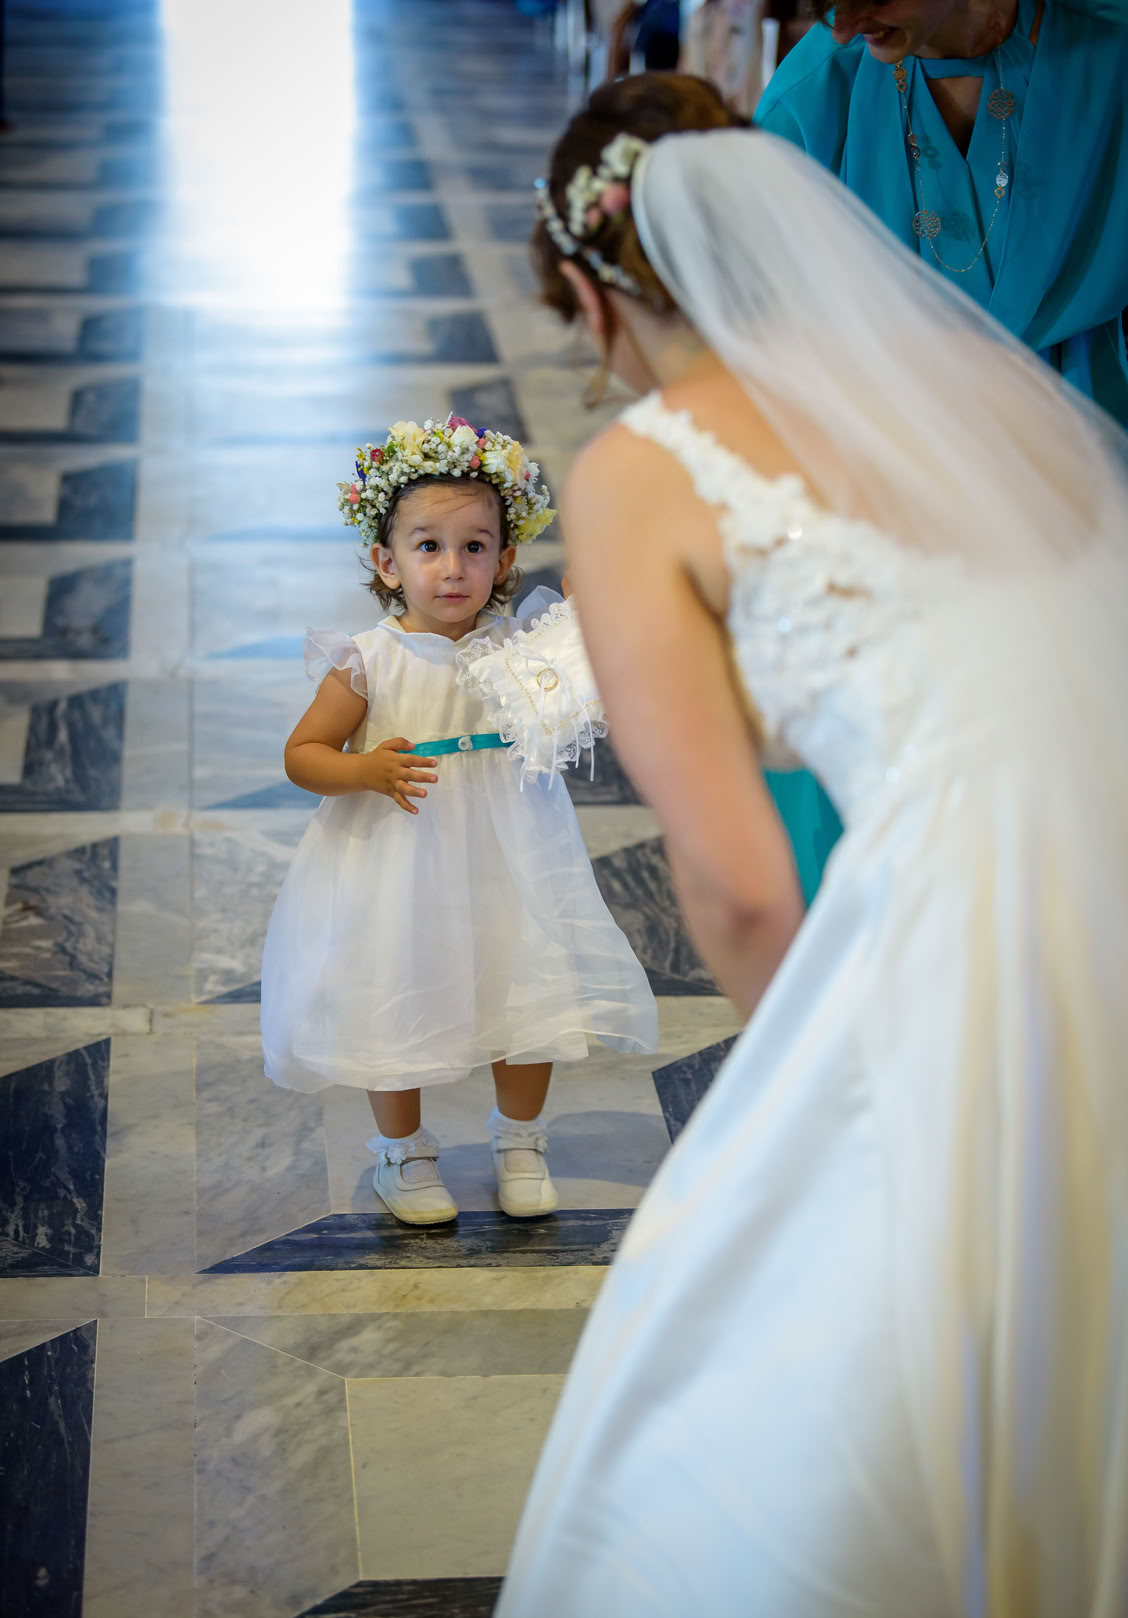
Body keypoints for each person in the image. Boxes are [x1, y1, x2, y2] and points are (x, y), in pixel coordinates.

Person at [491, 76, 1128, 1615]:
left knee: (794, 1341)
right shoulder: (978, 385)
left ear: (591, 289)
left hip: (982, 914)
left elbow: (738, 882)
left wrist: (808, 1093)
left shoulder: (644, 469)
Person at [259, 413, 658, 1226]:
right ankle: (402, 1155)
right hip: (398, 861)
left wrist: (591, 618)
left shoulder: (516, 648)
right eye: (428, 546)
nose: (452, 568)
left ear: (506, 559)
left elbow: (587, 673)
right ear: (387, 561)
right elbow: (303, 753)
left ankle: (520, 1139)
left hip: (510, 857)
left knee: (527, 983)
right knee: (392, 990)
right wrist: (362, 769)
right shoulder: (369, 661)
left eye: (475, 546)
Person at [755, 0, 1128, 427]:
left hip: (1090, 444)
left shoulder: (1109, 50)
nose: (843, 27)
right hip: (896, 454)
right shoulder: (809, 101)